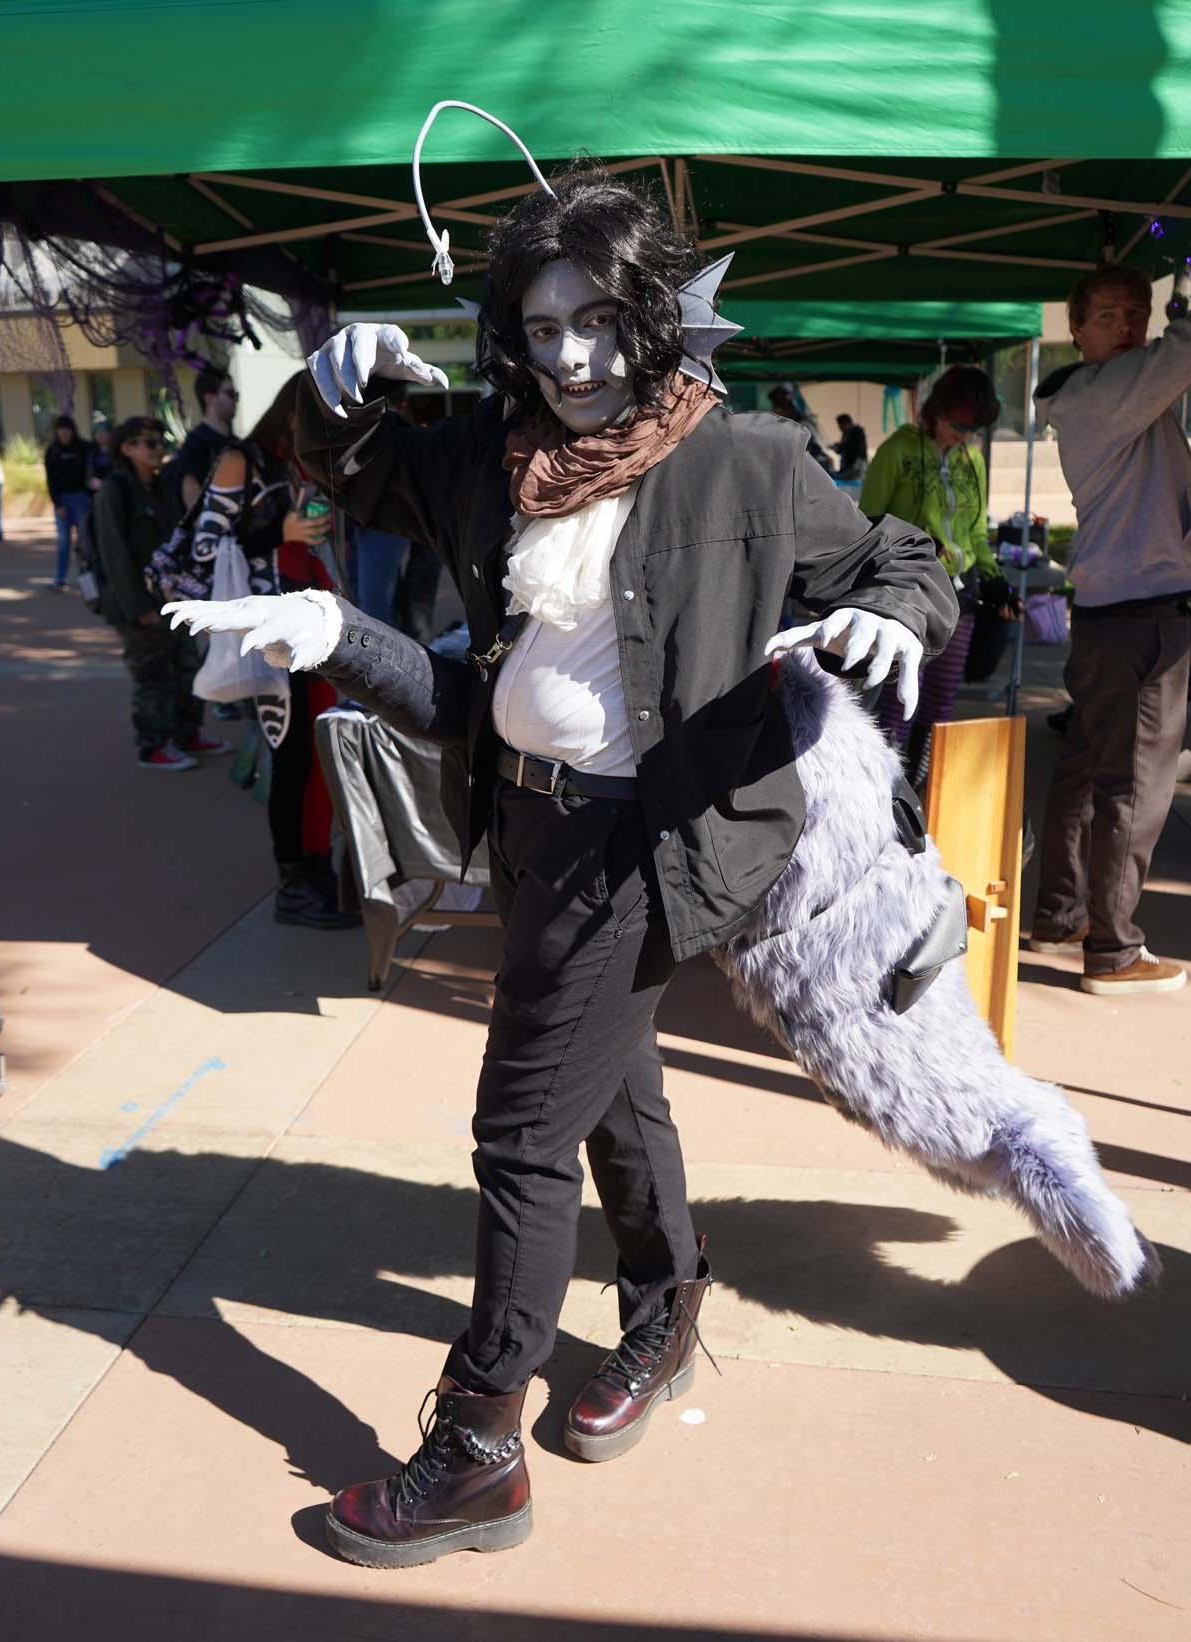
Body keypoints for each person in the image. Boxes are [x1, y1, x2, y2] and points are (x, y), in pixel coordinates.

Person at [167, 165, 955, 1569]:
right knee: (614, 1085)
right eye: (540, 329)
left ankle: (478, 1444)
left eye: (596, 321)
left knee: (522, 1130)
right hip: (521, 821)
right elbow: (320, 462)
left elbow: (906, 561)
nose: (572, 358)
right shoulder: (492, 450)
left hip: (643, 843)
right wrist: (326, 386)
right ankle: (666, 1303)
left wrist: (891, 614)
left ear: (650, 315)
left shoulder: (749, 461)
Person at [1029, 263, 1191, 995]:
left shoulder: (1097, 393)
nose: (1127, 327)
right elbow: (1184, 351)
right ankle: (1114, 950)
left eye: (1137, 314)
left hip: (1111, 613)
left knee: (1088, 774)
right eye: (1110, 316)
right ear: (1077, 329)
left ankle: (1063, 915)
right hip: (1143, 616)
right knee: (1134, 783)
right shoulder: (1105, 394)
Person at [186, 374, 356, 929]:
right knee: (292, 759)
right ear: (296, 411)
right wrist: (279, 530)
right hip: (272, 633)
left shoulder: (304, 461)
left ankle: (316, 870)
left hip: (315, 620)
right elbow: (204, 548)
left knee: (319, 754)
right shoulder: (244, 458)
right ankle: (295, 884)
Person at [859, 364, 1012, 787]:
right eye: (959, 423)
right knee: (898, 699)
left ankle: (921, 789)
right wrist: (914, 546)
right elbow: (869, 520)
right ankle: (879, 791)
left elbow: (977, 531)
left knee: (940, 701)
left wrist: (993, 574)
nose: (965, 434)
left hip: (957, 596)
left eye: (974, 427)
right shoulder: (898, 450)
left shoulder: (973, 459)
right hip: (906, 593)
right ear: (935, 410)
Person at [94, 416, 229, 770]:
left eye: (161, 442)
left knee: (188, 664)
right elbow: (114, 555)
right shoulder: (116, 491)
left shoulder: (160, 487)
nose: (158, 449)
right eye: (149, 443)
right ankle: (153, 746)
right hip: (137, 604)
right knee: (154, 673)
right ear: (127, 448)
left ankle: (188, 734)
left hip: (172, 598)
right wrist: (138, 606)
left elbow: (178, 540)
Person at [350, 379, 415, 626]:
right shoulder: (400, 430)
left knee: (374, 609)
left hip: (381, 526)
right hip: (384, 526)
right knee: (378, 602)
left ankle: (381, 662)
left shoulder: (386, 431)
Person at [176, 365, 238, 512]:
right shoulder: (195, 443)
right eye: (230, 394)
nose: (235, 400)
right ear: (210, 398)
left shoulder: (236, 443)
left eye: (236, 394)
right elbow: (192, 497)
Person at [43, 414, 91, 590]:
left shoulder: (83, 448)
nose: (64, 433)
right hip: (62, 500)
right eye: (61, 429)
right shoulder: (52, 451)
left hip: (81, 499)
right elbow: (50, 480)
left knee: (84, 541)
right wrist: (57, 504)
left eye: (67, 429)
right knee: (64, 542)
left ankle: (87, 578)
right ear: (57, 431)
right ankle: (60, 579)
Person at [768, 382, 832, 469]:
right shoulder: (782, 425)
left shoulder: (802, 425)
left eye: (777, 408)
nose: (775, 412)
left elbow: (812, 448)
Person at [831, 412, 868, 481]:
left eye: (841, 425)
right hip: (849, 468)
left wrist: (839, 447)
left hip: (855, 468)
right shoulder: (846, 434)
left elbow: (852, 450)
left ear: (847, 423)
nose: (839, 428)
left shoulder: (856, 432)